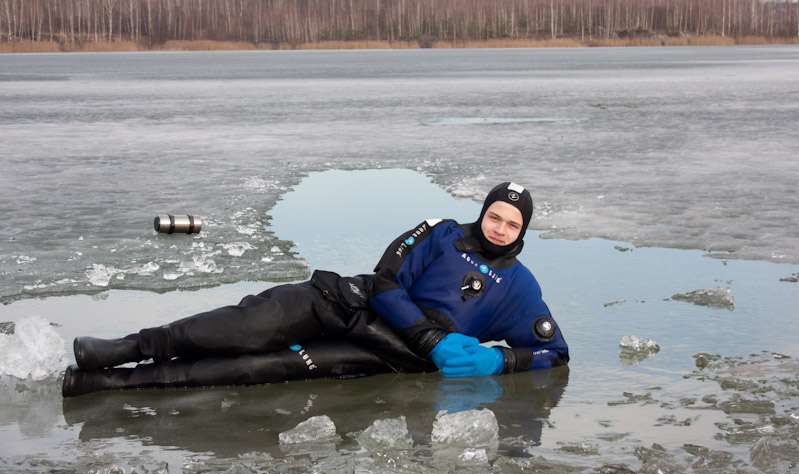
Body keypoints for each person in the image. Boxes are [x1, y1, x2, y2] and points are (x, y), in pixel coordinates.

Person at [62, 182, 569, 397]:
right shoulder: (439, 232)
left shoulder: (520, 289)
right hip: (346, 304)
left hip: (385, 353)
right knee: (243, 327)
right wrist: (430, 338)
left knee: (258, 367)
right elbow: (386, 280)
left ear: (524, 230)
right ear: (483, 212)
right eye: (494, 216)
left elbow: (555, 351)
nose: (500, 227)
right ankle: (127, 348)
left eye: (512, 223)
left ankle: (115, 384)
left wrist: (501, 362)